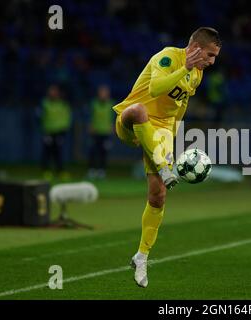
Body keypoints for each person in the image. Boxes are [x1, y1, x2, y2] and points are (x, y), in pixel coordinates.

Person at [112, 27, 221, 288]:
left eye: (215, 56)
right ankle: (163, 167)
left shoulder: (198, 74)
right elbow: (155, 88)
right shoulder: (167, 57)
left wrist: (171, 140)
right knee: (138, 110)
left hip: (161, 132)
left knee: (158, 196)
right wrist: (184, 68)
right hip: (131, 119)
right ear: (194, 47)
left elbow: (179, 107)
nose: (212, 61)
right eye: (209, 54)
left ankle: (141, 256)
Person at [40, 84, 72, 181]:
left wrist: (64, 131)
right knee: (47, 152)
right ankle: (46, 171)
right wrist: (43, 131)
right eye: (51, 91)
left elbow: (67, 117)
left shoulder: (63, 104)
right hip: (48, 131)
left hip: (59, 132)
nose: (53, 93)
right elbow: (40, 118)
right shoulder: (45, 103)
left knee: (59, 152)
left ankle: (60, 171)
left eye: (55, 91)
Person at [87, 85, 114, 179]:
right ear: (98, 94)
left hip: (106, 132)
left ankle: (102, 171)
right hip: (95, 131)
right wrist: (90, 125)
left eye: (105, 93)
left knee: (104, 152)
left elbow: (113, 117)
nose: (103, 95)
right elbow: (90, 116)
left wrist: (112, 127)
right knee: (93, 151)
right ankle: (92, 170)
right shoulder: (94, 104)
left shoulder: (111, 104)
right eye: (101, 93)